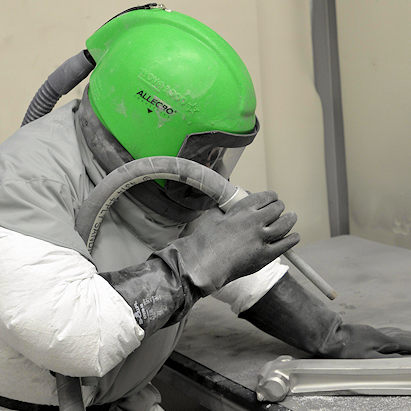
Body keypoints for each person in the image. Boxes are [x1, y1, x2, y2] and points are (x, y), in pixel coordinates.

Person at [0, 5, 410, 411]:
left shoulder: (155, 183)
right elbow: (73, 334)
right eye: (206, 153)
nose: (213, 172)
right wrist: (192, 265)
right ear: (150, 125)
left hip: (122, 396)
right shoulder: (25, 183)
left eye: (220, 155)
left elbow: (233, 263)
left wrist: (328, 333)